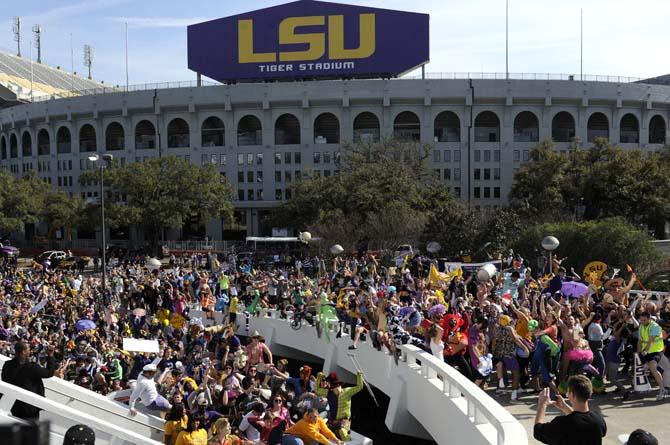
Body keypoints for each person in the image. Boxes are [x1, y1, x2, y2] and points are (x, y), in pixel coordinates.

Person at [534, 375, 607, 445]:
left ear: (571, 394)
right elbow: (582, 420)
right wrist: (564, 407)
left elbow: (537, 431)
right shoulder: (599, 419)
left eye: (568, 391)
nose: (567, 394)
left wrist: (542, 404)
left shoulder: (562, 423)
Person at [1, 341, 57, 419]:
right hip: (29, 409)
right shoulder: (31, 368)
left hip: (13, 405)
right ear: (23, 352)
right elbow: (49, 373)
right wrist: (50, 356)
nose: (30, 350)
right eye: (28, 349)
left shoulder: (7, 365)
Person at [637, 312, 666, 400]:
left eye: (644, 320)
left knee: (652, 367)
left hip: (656, 351)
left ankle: (662, 389)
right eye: (641, 320)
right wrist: (638, 353)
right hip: (646, 351)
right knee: (641, 367)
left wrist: (645, 351)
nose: (642, 322)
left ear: (649, 319)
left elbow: (651, 341)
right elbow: (640, 341)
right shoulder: (641, 326)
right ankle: (642, 387)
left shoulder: (655, 326)